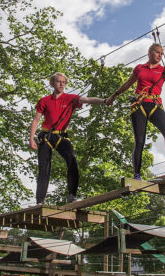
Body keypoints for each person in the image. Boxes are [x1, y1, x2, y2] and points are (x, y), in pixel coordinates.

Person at [107, 43, 165, 180]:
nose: (160, 56)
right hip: (139, 105)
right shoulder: (140, 68)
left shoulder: (164, 71)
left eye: (162, 54)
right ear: (150, 52)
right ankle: (137, 174)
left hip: (155, 105)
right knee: (140, 140)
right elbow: (127, 84)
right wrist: (114, 95)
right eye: (157, 52)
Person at [29, 72, 110, 205]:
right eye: (58, 82)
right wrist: (31, 139)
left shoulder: (70, 98)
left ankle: (72, 195)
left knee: (72, 160)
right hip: (46, 136)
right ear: (52, 83)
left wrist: (105, 101)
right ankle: (40, 201)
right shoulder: (44, 101)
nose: (61, 84)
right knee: (44, 168)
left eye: (64, 82)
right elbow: (36, 119)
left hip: (61, 136)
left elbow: (88, 100)